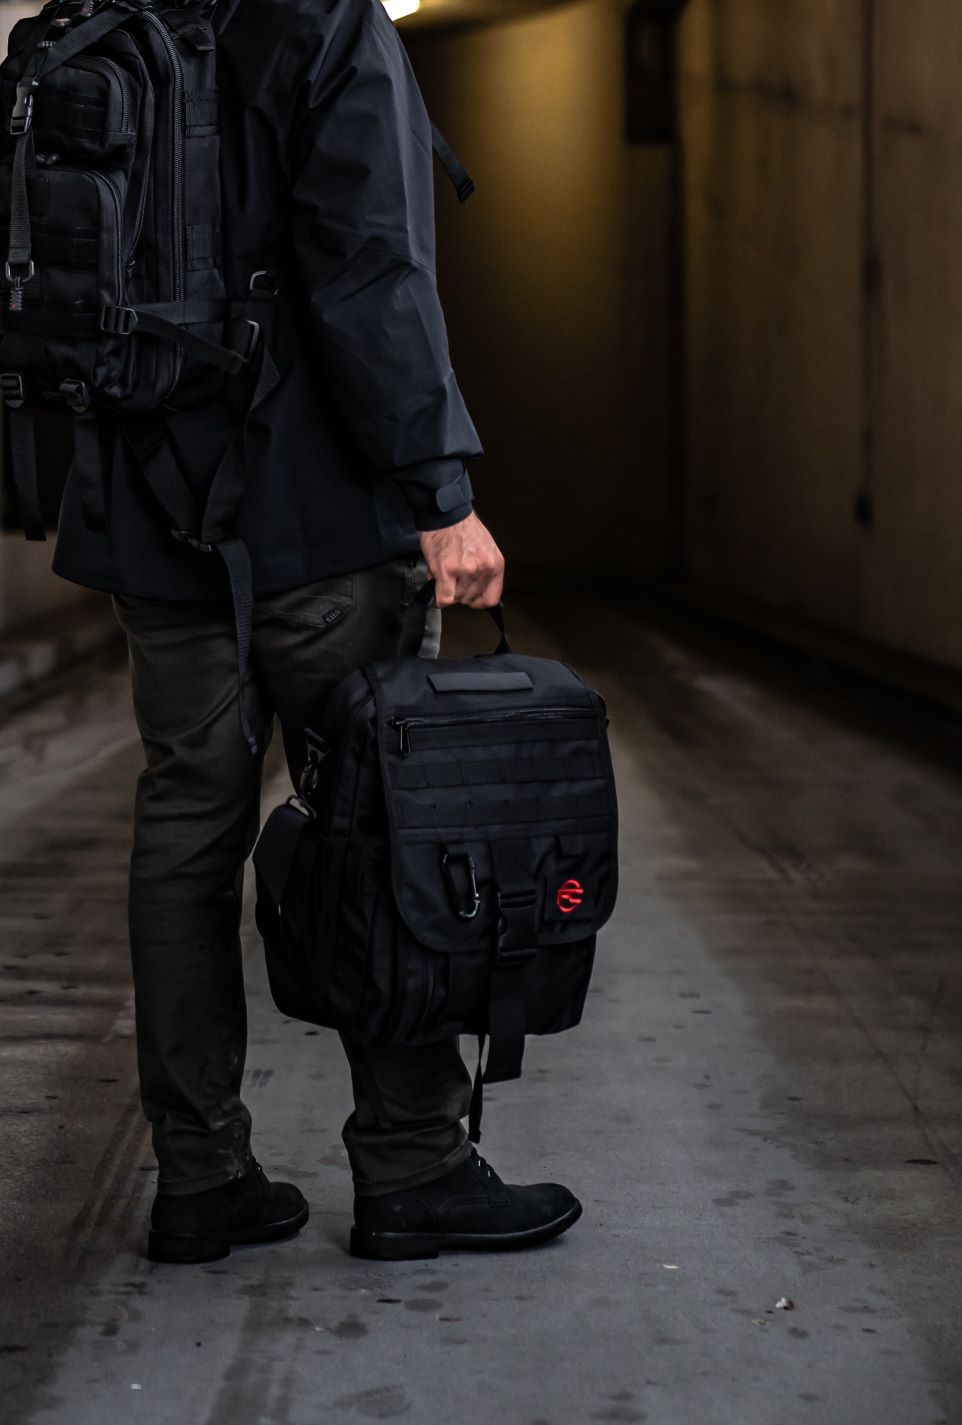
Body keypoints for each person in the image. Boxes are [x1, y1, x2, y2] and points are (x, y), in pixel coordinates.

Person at [50, 0, 581, 1263]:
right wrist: (440, 493)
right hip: (318, 519)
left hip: (151, 510)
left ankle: (200, 1176)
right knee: (382, 826)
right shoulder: (324, 22)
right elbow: (367, 266)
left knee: (185, 832)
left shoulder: (113, 14)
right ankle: (413, 1166)